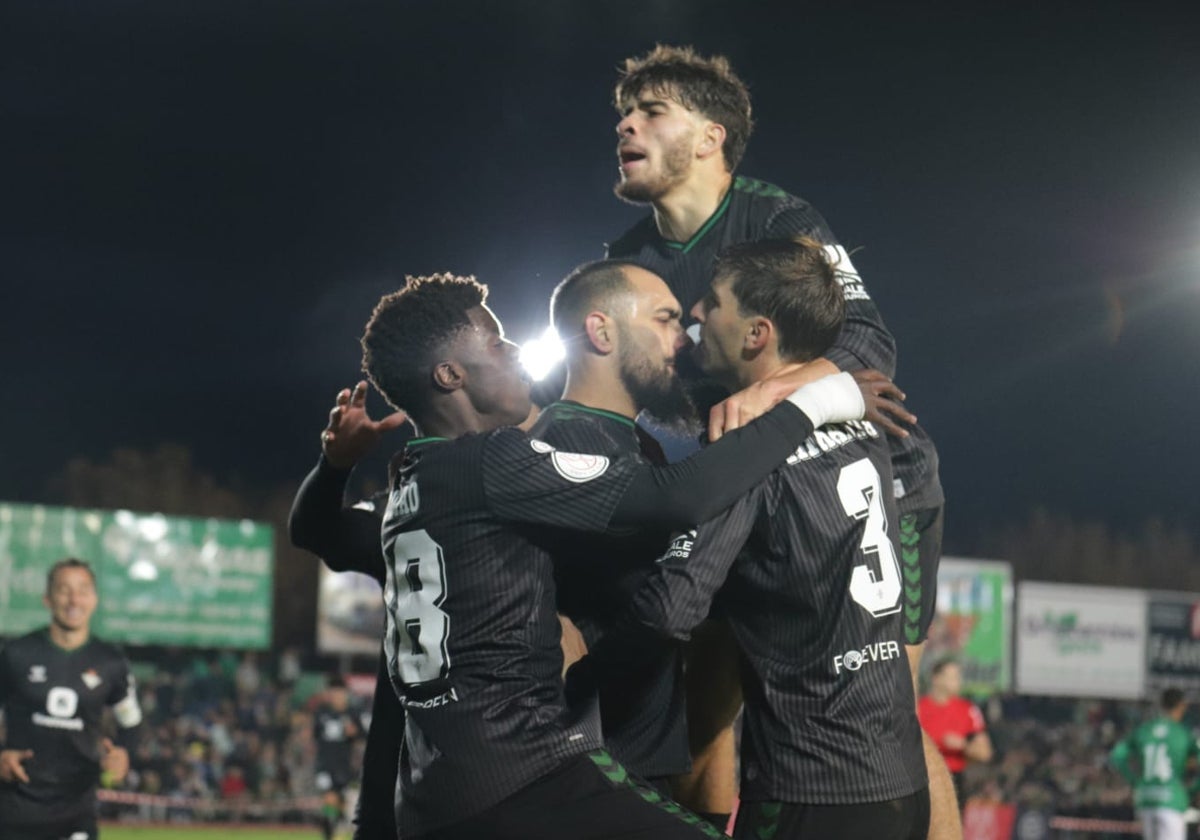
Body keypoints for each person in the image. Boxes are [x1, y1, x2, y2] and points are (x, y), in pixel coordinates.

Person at [358, 271, 881, 839]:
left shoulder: (409, 478)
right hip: (524, 774)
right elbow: (678, 498)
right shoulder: (493, 461)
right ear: (449, 374)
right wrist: (817, 400)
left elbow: (327, 538)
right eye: (495, 342)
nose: (513, 352)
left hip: (440, 793)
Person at [603, 44, 953, 833]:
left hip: (864, 492)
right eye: (623, 113)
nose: (626, 123)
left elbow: (869, 349)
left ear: (709, 137)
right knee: (698, 720)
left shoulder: (780, 220)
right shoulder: (625, 263)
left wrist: (763, 400)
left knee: (882, 721)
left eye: (652, 110)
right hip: (743, 495)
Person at [590, 238, 929, 839]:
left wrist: (580, 686)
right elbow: (923, 497)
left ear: (756, 335)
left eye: (713, 303)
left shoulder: (749, 449)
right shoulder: (868, 419)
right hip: (901, 783)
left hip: (809, 793)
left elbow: (670, 611)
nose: (696, 314)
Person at [289, 381, 408, 840]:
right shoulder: (401, 511)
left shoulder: (527, 491)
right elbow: (312, 530)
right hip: (395, 788)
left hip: (510, 776)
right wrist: (334, 466)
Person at [0, 558, 143, 840]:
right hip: (15, 808)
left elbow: (132, 721)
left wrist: (124, 753)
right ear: (47, 598)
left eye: (83, 590)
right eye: (64, 590)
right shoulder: (15, 655)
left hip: (76, 811)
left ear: (95, 599)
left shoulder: (111, 662)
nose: (74, 599)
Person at [1110, 688, 1200, 840]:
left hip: (1145, 798)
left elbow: (1117, 756)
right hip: (1172, 798)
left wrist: (1135, 781)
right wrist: (1192, 789)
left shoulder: (1144, 730)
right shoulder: (1182, 733)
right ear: (1181, 706)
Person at [917, 659, 992, 805]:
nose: (958, 681)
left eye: (958, 676)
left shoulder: (968, 710)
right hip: (920, 779)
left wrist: (963, 745)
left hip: (953, 779)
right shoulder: (917, 709)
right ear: (936, 678)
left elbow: (985, 753)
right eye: (953, 677)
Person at [312, 675, 366, 840]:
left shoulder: (353, 713)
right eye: (333, 692)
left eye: (339, 692)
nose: (336, 695)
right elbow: (315, 736)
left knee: (342, 807)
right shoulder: (322, 712)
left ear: (345, 693)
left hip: (344, 767)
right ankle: (329, 835)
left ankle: (334, 831)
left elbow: (363, 735)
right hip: (325, 765)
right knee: (330, 799)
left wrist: (354, 732)